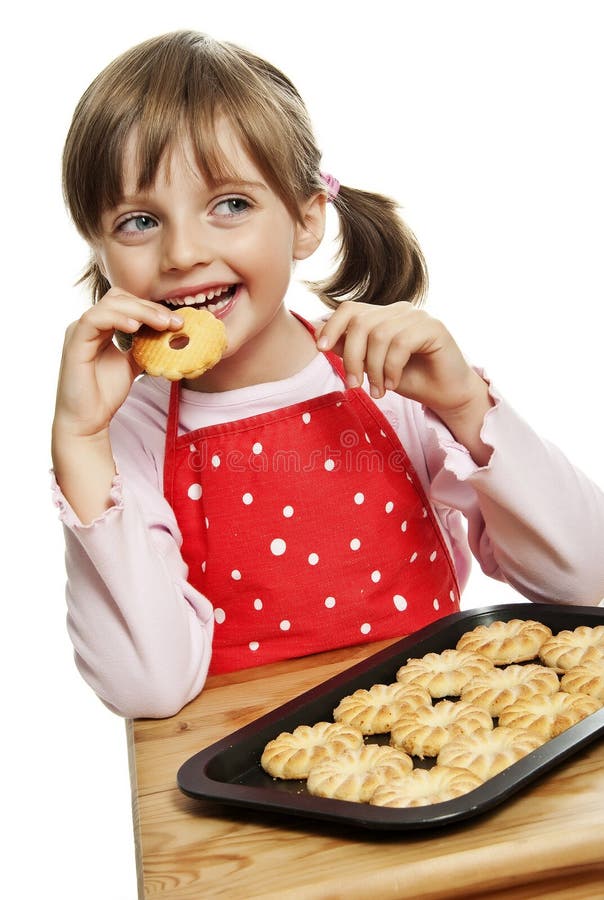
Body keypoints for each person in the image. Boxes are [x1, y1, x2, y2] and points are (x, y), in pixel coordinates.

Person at [52, 30, 604, 718]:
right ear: (101, 251)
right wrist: (80, 444)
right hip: (244, 788)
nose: (184, 252)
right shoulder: (124, 439)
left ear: (307, 219)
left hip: (437, 747)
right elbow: (147, 689)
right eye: (139, 221)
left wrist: (467, 407)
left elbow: (587, 576)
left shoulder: (388, 381)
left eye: (231, 204)